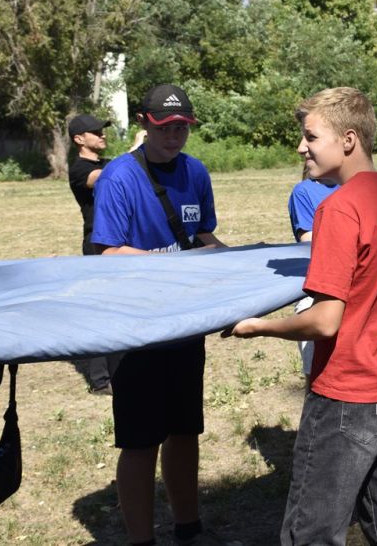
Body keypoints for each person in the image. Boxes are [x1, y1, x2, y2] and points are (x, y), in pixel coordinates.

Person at [231, 87, 377, 545]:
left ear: (347, 140)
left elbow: (324, 321)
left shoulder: (338, 208)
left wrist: (260, 326)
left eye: (310, 137)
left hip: (349, 389)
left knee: (313, 530)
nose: (301, 148)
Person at [92, 84, 227, 546]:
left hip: (185, 324)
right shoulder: (118, 177)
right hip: (136, 329)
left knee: (185, 429)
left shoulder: (196, 173)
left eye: (182, 128)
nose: (174, 136)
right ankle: (140, 541)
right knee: (140, 440)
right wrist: (168, 265)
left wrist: (236, 262)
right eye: (165, 127)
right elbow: (108, 252)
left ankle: (188, 530)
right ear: (145, 124)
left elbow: (203, 234)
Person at [67, 113, 122, 394]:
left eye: (102, 130)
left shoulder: (106, 163)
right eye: (95, 132)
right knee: (102, 311)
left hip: (116, 241)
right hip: (97, 242)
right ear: (79, 139)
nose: (102, 135)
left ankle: (119, 371)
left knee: (119, 307)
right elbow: (107, 180)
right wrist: (138, 150)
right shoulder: (79, 170)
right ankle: (101, 381)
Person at [287, 169, 339, 389]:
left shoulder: (350, 185)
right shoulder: (304, 191)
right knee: (317, 377)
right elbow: (310, 241)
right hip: (318, 292)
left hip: (355, 290)